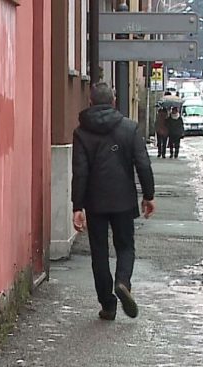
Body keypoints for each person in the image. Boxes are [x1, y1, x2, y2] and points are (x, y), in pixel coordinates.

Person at [71, 83, 156, 321]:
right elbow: (143, 164)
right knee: (125, 246)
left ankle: (108, 305)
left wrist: (77, 206)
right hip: (123, 200)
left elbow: (79, 171)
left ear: (90, 103)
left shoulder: (81, 132)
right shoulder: (129, 129)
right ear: (114, 102)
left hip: (95, 202)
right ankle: (123, 282)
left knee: (99, 252)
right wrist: (148, 195)